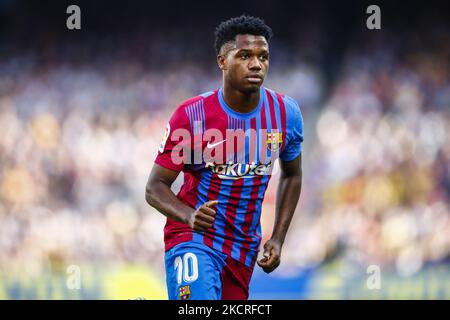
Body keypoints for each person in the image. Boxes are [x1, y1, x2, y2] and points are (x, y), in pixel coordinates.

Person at [145, 15, 304, 300]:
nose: (256, 64)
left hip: (242, 248)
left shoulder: (285, 114)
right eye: (245, 56)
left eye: (263, 57)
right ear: (222, 61)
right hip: (193, 238)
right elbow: (154, 186)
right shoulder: (193, 116)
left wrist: (278, 238)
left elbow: (292, 174)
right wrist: (188, 215)